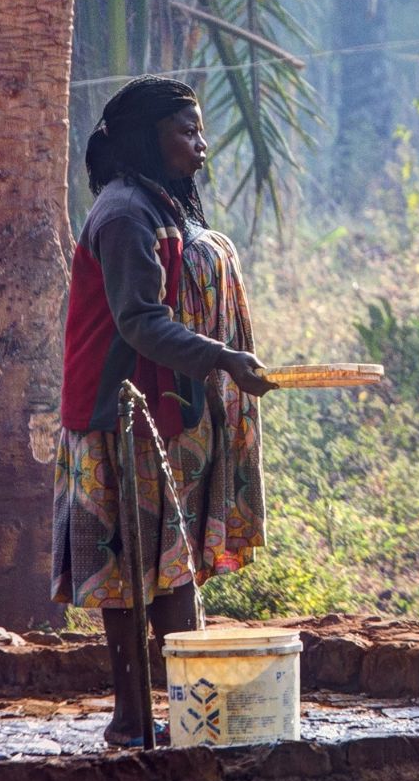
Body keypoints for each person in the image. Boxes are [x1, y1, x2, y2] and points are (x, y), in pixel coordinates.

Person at [52, 75, 272, 747]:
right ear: (149, 139)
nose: (201, 147)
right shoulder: (123, 216)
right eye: (187, 133)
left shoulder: (162, 207)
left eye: (200, 132)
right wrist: (224, 359)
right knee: (126, 571)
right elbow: (142, 322)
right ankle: (130, 718)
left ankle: (187, 716)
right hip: (115, 415)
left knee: (171, 569)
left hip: (164, 411)